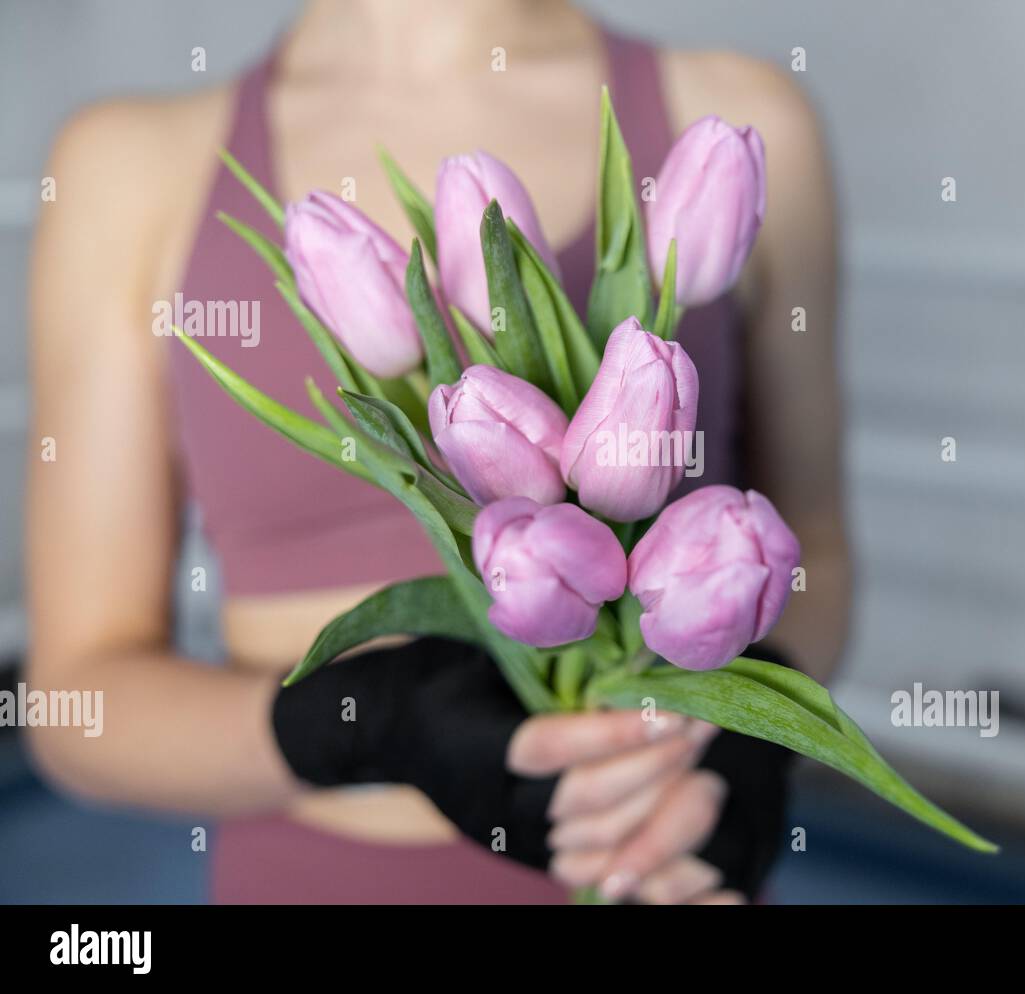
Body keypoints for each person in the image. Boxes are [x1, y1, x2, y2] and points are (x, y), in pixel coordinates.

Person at [25, 0, 848, 904]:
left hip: (659, 871)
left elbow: (814, 538)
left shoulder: (738, 114)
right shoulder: (128, 167)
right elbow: (75, 709)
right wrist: (368, 723)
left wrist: (757, 730)